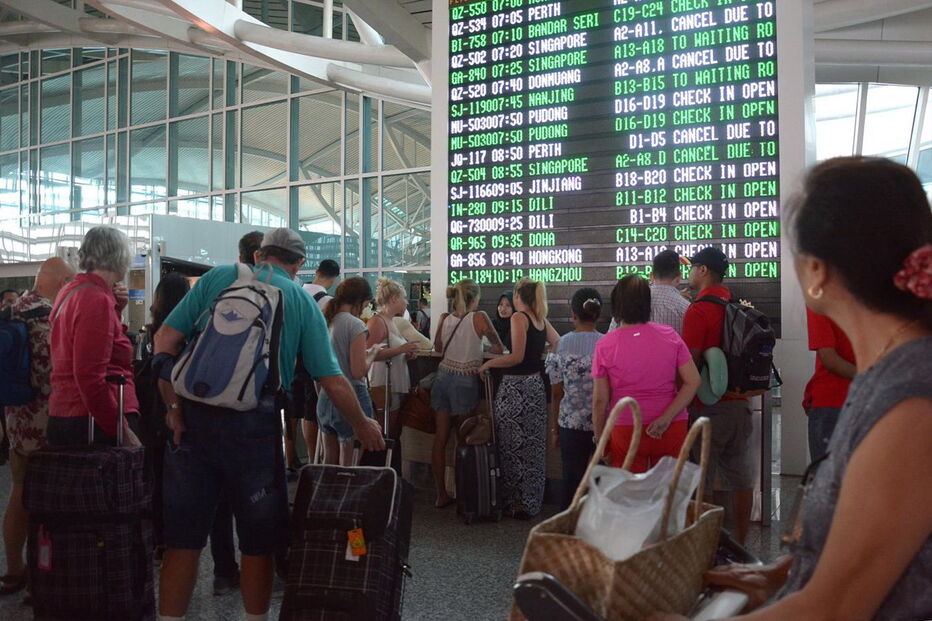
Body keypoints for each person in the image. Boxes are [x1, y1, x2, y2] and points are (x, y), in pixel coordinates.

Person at [650, 157, 932, 621]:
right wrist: (783, 572)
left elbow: (835, 606)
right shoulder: (892, 370)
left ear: (817, 272)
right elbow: (880, 536)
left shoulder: (912, 399)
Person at [153, 228, 384, 621]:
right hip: (254, 430)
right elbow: (330, 379)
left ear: (259, 255)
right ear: (298, 264)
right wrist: (362, 423)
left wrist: (173, 408)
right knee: (257, 543)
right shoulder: (299, 299)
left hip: (193, 422)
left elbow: (164, 340)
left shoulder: (218, 277)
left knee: (184, 541)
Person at [1, 258, 74, 597]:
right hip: (44, 422)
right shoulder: (45, 315)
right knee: (44, 503)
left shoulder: (14, 309)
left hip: (16, 418)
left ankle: (14, 569)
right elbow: (50, 373)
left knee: (18, 493)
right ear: (60, 282)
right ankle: (38, 578)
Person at [681, 245, 753, 544]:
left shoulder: (698, 310)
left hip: (709, 408)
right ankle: (742, 541)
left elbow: (691, 362)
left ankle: (704, 542)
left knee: (703, 479)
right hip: (741, 405)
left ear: (703, 270)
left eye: (692, 267)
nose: (688, 272)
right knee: (741, 477)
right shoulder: (737, 306)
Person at [592, 275, 700, 474]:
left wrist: (600, 439)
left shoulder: (605, 344)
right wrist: (667, 417)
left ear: (616, 304)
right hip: (671, 427)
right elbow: (693, 381)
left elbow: (600, 400)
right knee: (667, 491)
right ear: (647, 303)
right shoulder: (670, 335)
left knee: (630, 492)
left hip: (626, 429)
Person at [48, 226, 142, 447]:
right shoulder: (96, 298)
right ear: (120, 257)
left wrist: (116, 310)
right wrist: (120, 430)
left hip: (69, 411)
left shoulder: (72, 291)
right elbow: (89, 375)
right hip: (94, 418)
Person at [479, 278, 559, 518]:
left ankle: (515, 501)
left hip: (515, 389)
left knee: (511, 445)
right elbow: (557, 342)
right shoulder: (540, 319)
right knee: (533, 446)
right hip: (535, 386)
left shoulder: (518, 318)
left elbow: (515, 357)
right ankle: (532, 500)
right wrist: (539, 351)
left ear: (517, 296)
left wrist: (489, 364)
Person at [431, 280, 503, 508]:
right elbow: (499, 348)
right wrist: (479, 346)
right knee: (464, 439)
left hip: (442, 378)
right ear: (476, 298)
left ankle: (441, 494)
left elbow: (438, 348)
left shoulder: (444, 318)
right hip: (465, 380)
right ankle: (464, 495)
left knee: (440, 439)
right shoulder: (479, 317)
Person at [135, 273, 190, 565]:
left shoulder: (149, 332)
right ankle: (180, 535)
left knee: (155, 475)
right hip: (177, 408)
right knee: (181, 477)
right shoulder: (187, 332)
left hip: (150, 412)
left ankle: (159, 539)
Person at [545, 288, 603, 510]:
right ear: (598, 314)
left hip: (570, 424)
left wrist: (554, 430)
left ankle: (568, 525)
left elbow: (556, 393)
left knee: (571, 482)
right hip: (601, 424)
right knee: (601, 483)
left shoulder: (560, 345)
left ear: (573, 314)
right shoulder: (607, 344)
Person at [318, 277, 384, 465]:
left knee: (329, 462)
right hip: (351, 396)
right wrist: (373, 353)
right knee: (349, 465)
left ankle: (327, 486)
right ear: (360, 301)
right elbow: (358, 371)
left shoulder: (328, 320)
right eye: (366, 304)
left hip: (325, 397)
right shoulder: (355, 324)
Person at [367, 278, 419, 446]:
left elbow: (392, 350)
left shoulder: (392, 321)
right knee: (385, 430)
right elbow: (369, 354)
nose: (406, 302)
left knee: (393, 429)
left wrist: (406, 354)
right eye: (404, 298)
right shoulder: (377, 322)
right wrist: (401, 349)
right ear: (394, 299)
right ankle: (381, 460)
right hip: (383, 384)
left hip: (394, 383)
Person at [298, 258, 340, 464]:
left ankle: (307, 456)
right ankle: (317, 457)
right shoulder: (328, 302)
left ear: (316, 272)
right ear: (334, 278)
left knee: (302, 411)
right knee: (316, 409)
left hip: (293, 358)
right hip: (315, 359)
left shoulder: (298, 293)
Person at [803, 308, 856, 462]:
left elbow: (831, 361)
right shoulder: (872, 301)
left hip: (831, 401)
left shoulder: (820, 302)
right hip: (868, 400)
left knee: (826, 473)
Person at [608, 249, 691, 333]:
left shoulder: (629, 301)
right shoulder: (685, 308)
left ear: (651, 276)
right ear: (679, 278)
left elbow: (611, 334)